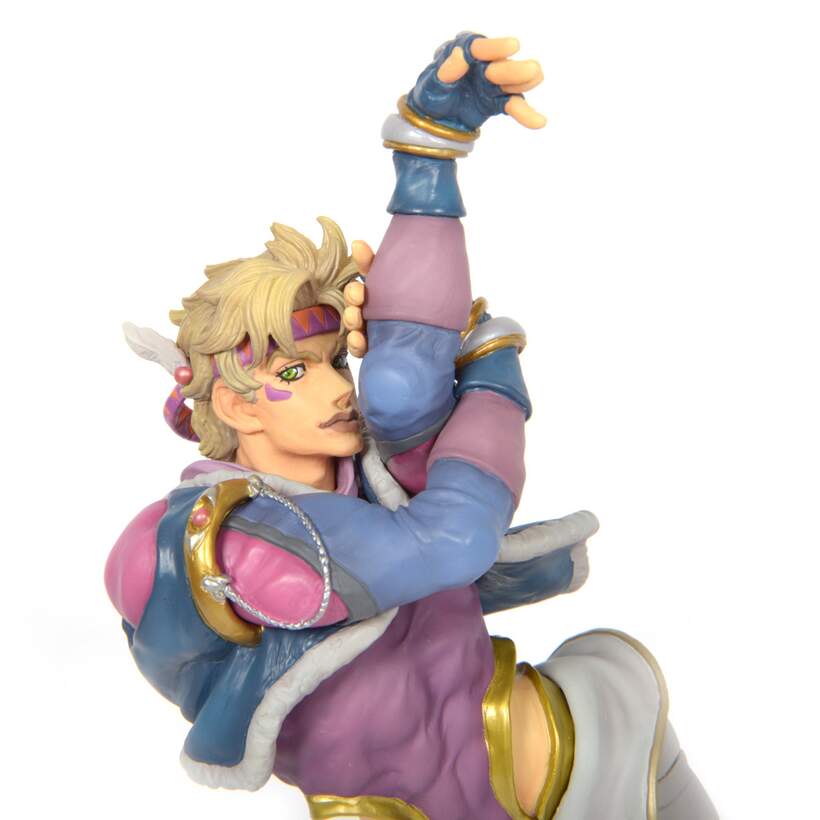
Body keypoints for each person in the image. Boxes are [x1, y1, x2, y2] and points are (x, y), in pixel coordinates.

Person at [106, 32, 717, 820]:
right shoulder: (221, 536)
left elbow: (409, 364)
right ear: (234, 405)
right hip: (396, 807)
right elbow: (451, 540)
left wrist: (430, 152)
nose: (338, 388)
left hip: (539, 741)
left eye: (333, 359)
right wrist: (492, 375)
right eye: (294, 373)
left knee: (619, 674)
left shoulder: (370, 471)